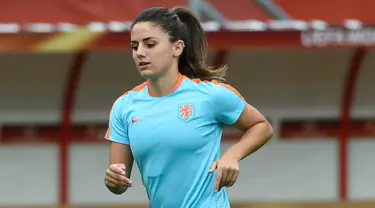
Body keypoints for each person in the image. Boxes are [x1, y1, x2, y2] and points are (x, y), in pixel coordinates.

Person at [104, 6, 273, 208]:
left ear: (177, 48)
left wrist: (232, 155)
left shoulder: (211, 95)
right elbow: (119, 183)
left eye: (150, 44)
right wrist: (113, 180)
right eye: (134, 46)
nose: (140, 53)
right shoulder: (124, 107)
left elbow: (262, 126)